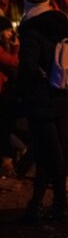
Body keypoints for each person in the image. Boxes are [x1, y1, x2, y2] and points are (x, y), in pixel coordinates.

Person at [17, 0, 68, 223]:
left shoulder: (32, 31)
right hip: (62, 97)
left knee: (47, 155)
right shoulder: (61, 28)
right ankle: (39, 204)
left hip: (41, 102)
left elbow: (28, 67)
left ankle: (58, 204)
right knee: (54, 152)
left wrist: (25, 91)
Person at [0, 14, 19, 177]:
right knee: (4, 127)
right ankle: (8, 159)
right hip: (1, 91)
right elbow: (12, 62)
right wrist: (15, 48)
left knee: (5, 126)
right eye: (7, 31)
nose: (10, 34)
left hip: (4, 91)